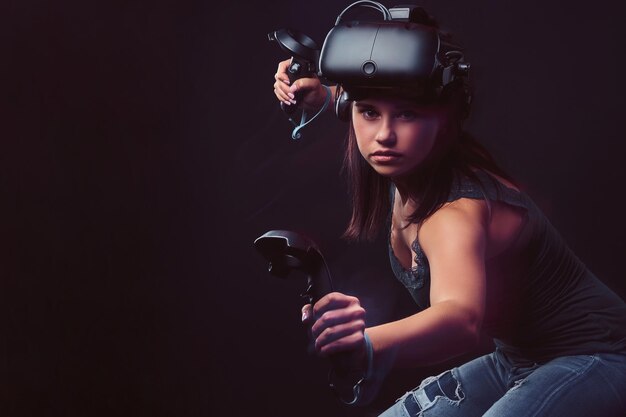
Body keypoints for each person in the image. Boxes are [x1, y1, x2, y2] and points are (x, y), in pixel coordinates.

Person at [271, 3, 626, 416]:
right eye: (369, 113)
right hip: (515, 360)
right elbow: (362, 102)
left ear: (443, 119)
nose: (384, 135)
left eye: (407, 114)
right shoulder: (403, 156)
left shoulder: (456, 214)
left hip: (600, 358)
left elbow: (460, 317)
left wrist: (366, 344)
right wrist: (316, 90)